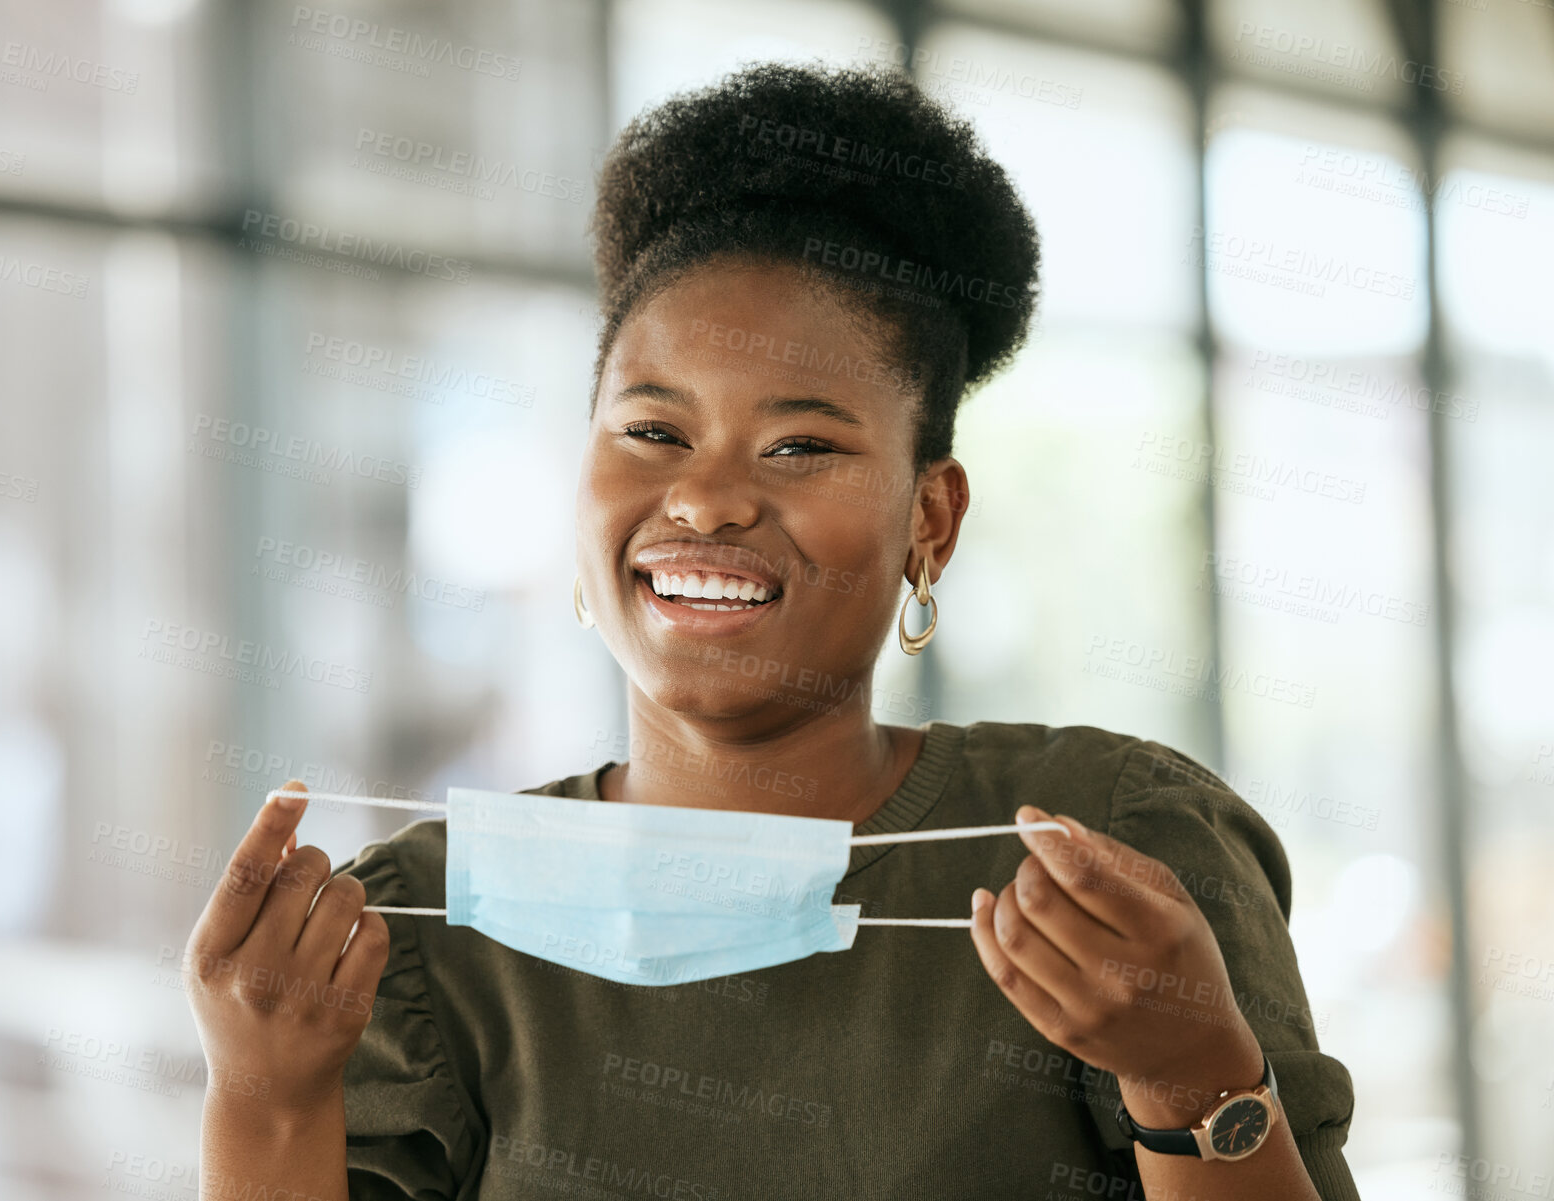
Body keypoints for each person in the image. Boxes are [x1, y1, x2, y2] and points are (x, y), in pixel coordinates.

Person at [186, 61, 1359, 1201]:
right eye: (651, 431)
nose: (703, 499)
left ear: (929, 518)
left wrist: (1189, 1076)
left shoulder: (1106, 849)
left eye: (800, 446)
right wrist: (262, 1098)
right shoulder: (409, 937)